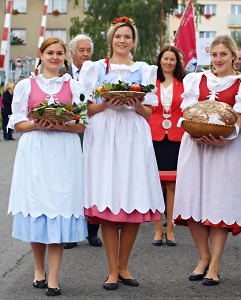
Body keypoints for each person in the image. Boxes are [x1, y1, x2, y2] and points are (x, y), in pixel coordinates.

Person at [79, 16, 164, 290]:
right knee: (108, 199)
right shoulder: (95, 68)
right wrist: (106, 103)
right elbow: (86, 108)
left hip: (133, 134)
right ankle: (112, 270)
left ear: (133, 41)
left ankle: (124, 266)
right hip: (105, 134)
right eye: (118, 36)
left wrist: (136, 103)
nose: (122, 41)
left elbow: (149, 111)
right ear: (111, 39)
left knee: (134, 197)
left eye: (127, 37)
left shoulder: (144, 69)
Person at [173, 35, 241, 286]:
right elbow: (187, 113)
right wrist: (193, 132)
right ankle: (203, 257)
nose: (218, 59)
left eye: (223, 54)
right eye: (214, 54)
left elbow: (240, 120)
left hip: (226, 150)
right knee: (193, 200)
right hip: (195, 146)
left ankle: (216, 263)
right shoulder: (195, 79)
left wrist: (227, 137)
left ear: (233, 55)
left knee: (219, 204)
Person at [7, 36, 87, 296]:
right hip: (36, 151)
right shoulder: (25, 85)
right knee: (37, 210)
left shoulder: (74, 85)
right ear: (40, 54)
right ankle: (38, 270)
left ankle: (53, 277)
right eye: (50, 52)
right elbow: (18, 122)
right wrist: (38, 124)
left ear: (65, 56)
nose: (55, 57)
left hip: (64, 152)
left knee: (60, 209)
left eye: (59, 53)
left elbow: (82, 123)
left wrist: (63, 124)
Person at [62, 34, 103, 249]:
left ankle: (92, 231)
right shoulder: (62, 75)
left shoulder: (98, 75)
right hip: (67, 133)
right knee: (70, 181)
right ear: (72, 53)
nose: (86, 54)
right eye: (82, 50)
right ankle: (69, 233)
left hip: (93, 131)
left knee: (91, 179)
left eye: (89, 50)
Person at [147, 45, 186, 246]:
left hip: (176, 136)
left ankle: (170, 228)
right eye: (165, 58)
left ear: (176, 62)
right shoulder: (151, 83)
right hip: (154, 134)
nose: (169, 62)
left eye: (172, 59)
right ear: (160, 61)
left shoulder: (184, 83)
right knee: (156, 184)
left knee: (172, 184)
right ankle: (156, 229)